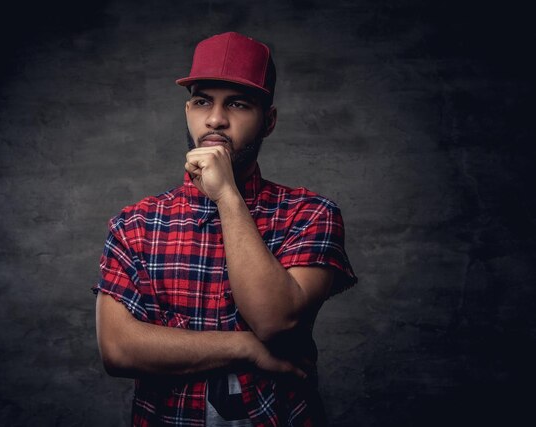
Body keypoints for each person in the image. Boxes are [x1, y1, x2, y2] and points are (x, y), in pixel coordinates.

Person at [93, 31, 357, 426]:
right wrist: (247, 348)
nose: (215, 119)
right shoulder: (135, 224)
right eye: (202, 102)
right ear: (187, 112)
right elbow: (117, 349)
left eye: (237, 103)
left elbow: (277, 321)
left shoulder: (310, 214)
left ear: (268, 121)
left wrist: (227, 197)